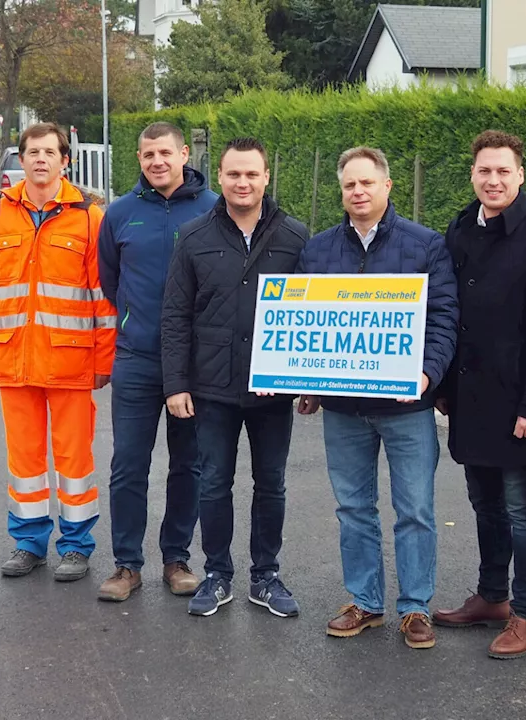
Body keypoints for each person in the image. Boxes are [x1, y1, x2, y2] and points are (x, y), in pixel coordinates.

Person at [295, 147, 458, 649]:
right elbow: (306, 323)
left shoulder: (425, 245)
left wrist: (428, 376)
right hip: (342, 409)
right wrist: (305, 379)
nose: (358, 192)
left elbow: (444, 318)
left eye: (367, 183)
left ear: (388, 187)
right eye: (349, 185)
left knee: (415, 510)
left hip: (406, 407)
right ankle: (365, 602)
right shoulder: (319, 249)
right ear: (341, 191)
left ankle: (415, 608)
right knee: (353, 509)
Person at [431, 130, 526, 659]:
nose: (493, 180)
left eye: (503, 172)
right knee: (483, 504)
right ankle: (491, 597)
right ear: (473, 175)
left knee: (522, 508)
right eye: (484, 171)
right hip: (470, 397)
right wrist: (444, 386)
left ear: (520, 175)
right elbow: (449, 314)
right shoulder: (461, 228)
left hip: (520, 404)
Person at [160, 137, 309, 618]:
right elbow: (175, 316)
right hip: (211, 389)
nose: (243, 183)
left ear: (267, 177)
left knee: (272, 484)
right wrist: (175, 384)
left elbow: (315, 315)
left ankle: (265, 575)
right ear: (219, 177)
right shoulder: (194, 236)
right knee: (213, 483)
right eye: (233, 174)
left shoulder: (297, 237)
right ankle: (217, 573)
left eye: (252, 174)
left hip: (273, 391)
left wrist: (310, 382)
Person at [0, 122, 118, 581]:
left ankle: (75, 546)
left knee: (75, 462)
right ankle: (29, 543)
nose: (40, 159)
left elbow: (103, 298)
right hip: (14, 362)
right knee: (26, 462)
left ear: (64, 161)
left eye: (49, 152)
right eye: (32, 152)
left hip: (72, 364)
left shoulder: (89, 219)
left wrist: (103, 361)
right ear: (21, 159)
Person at [94, 122, 218, 602]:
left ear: (184, 153)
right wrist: (132, 320)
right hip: (137, 358)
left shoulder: (213, 210)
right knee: (128, 464)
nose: (157, 162)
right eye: (148, 155)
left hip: (195, 365)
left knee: (189, 464)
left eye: (165, 153)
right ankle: (126, 565)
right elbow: (110, 280)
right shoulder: (120, 214)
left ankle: (177, 559)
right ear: (139, 159)